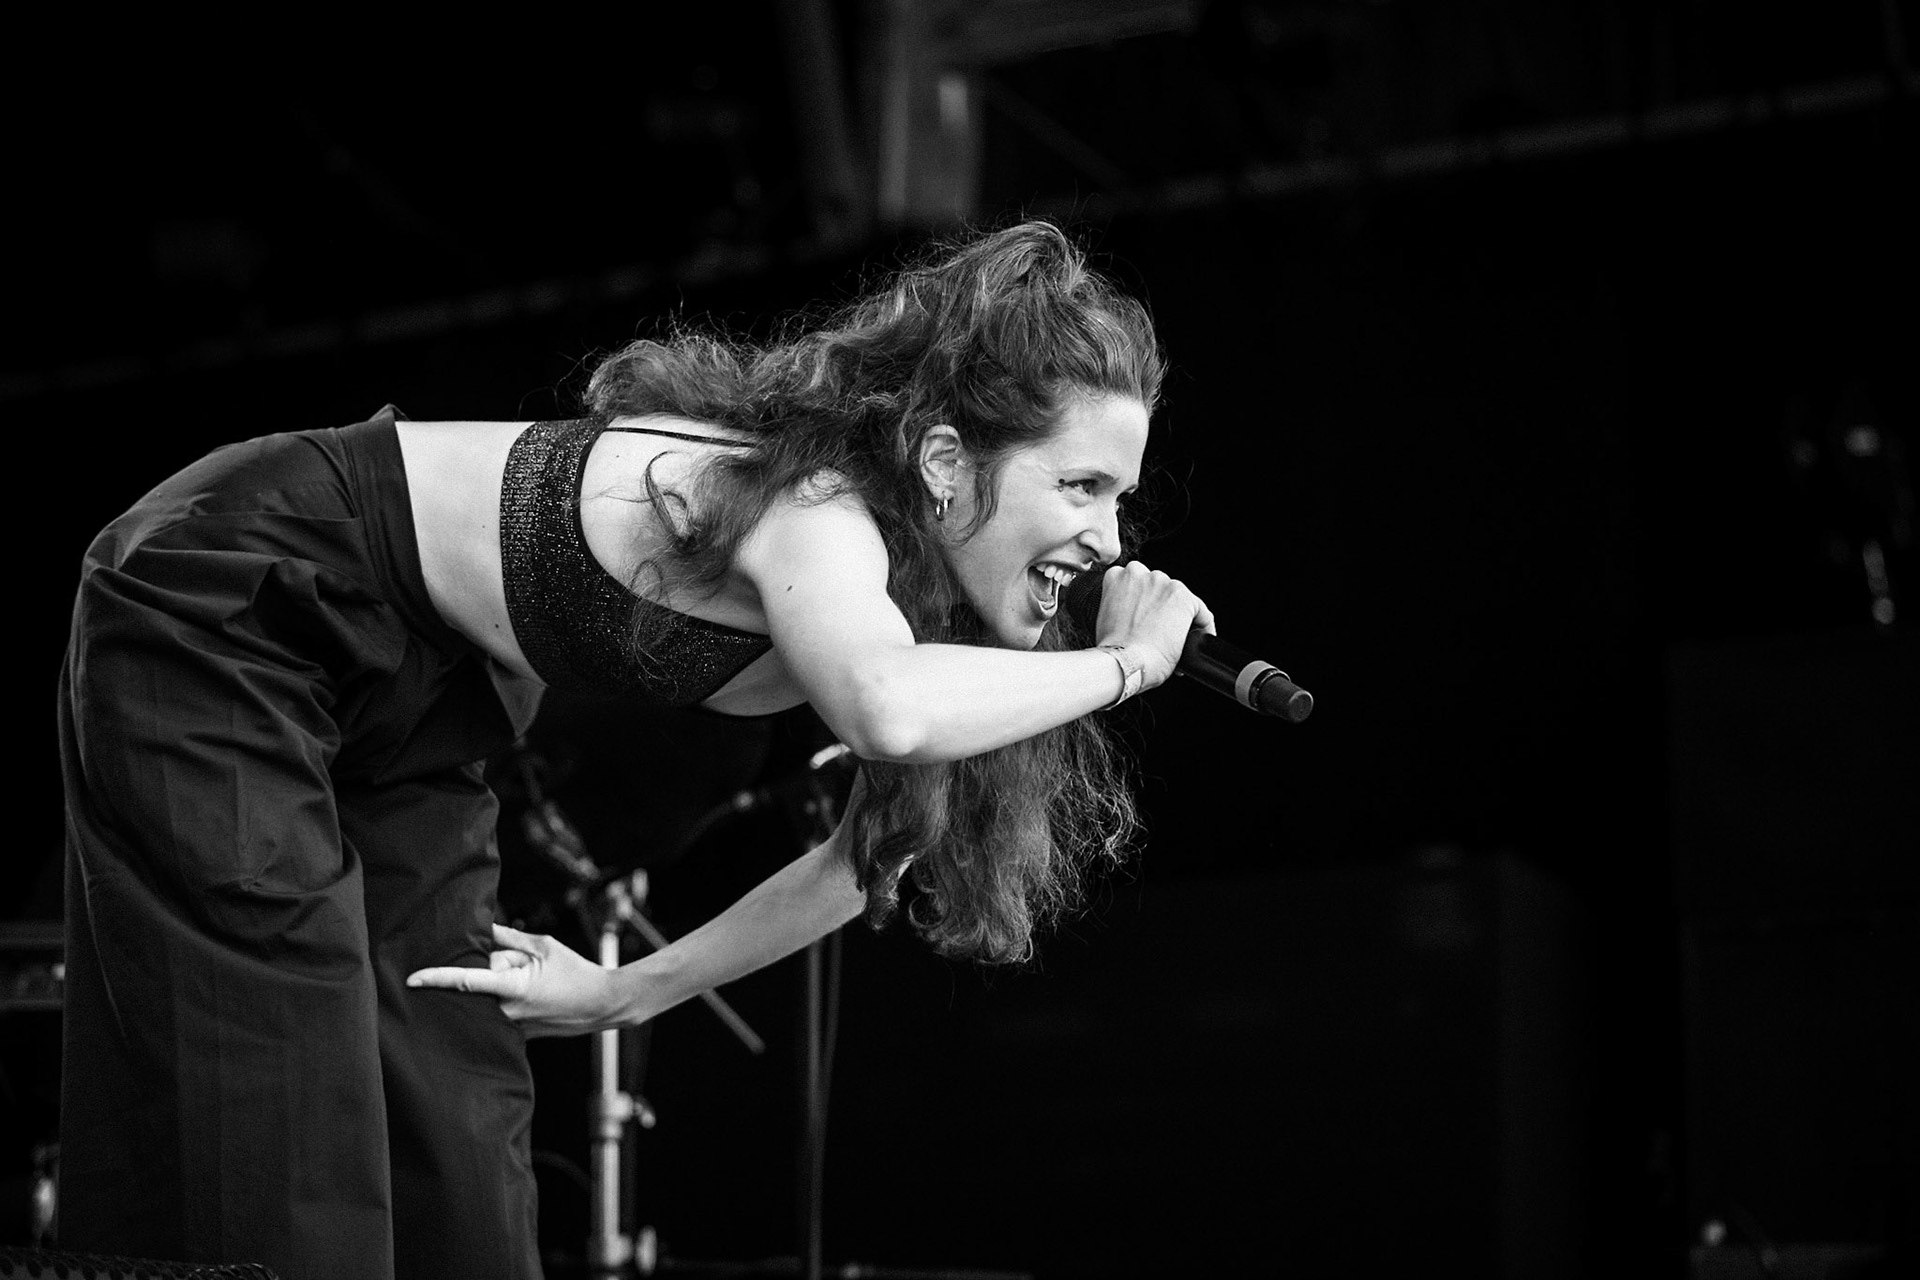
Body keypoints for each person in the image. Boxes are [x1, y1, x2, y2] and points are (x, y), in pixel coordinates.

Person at [56, 220, 1210, 1280]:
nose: (1109, 537)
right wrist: (1124, 667)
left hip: (424, 693)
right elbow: (886, 710)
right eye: (1082, 484)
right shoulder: (816, 511)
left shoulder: (911, 589)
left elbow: (860, 860)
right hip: (243, 592)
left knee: (453, 1117)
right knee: (279, 1105)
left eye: (1122, 496)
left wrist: (622, 990)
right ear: (949, 463)